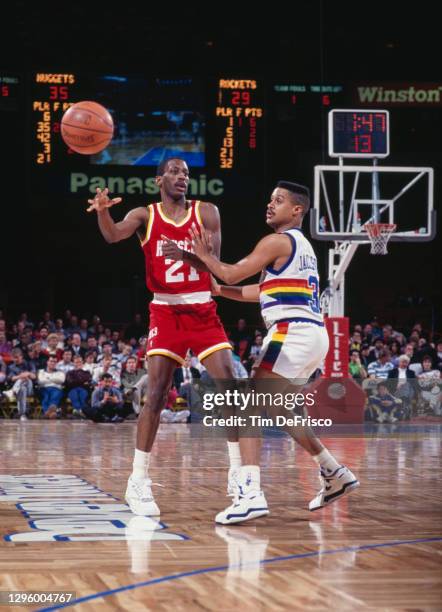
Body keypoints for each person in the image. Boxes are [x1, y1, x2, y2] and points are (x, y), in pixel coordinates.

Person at [187, 180, 359, 523]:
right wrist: (223, 290)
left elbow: (234, 269)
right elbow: (259, 290)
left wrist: (206, 258)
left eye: (278, 201)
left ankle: (251, 494)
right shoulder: (302, 247)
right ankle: (333, 471)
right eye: (269, 199)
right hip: (312, 335)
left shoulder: (276, 241)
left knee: (248, 404)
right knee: (281, 411)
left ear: (297, 210)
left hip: (290, 332)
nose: (270, 205)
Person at [87, 157, 235, 517]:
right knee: (155, 393)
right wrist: (102, 212)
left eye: (185, 173)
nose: (182, 177)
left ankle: (239, 475)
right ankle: (137, 481)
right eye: (174, 172)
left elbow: (215, 265)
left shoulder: (208, 212)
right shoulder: (145, 216)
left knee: (228, 384)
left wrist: (186, 254)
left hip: (201, 308)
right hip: (165, 310)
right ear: (158, 180)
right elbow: (111, 235)